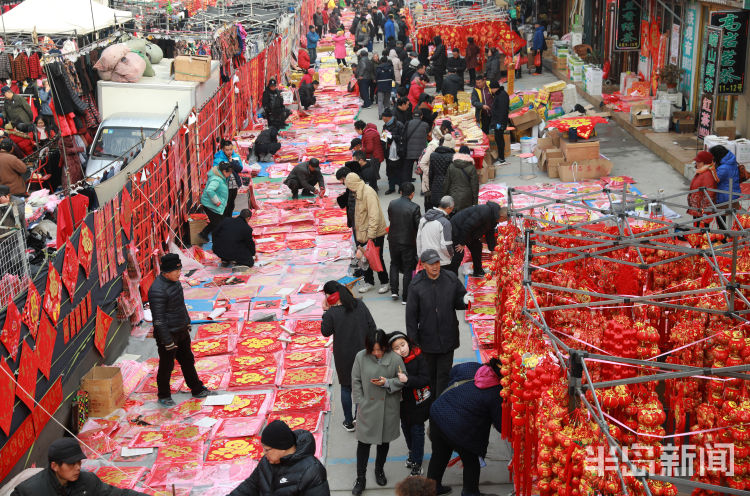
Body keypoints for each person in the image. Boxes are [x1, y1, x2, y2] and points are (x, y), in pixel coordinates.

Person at [426, 361, 503, 496]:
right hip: (460, 429)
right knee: (471, 462)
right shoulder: (496, 393)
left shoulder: (472, 367)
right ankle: (470, 492)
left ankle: (432, 488)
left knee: (439, 455)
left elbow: (453, 372)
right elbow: (501, 425)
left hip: (438, 414)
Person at [148, 253, 211, 407]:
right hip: (168, 334)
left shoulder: (175, 283)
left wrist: (187, 322)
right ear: (166, 271)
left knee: (188, 360)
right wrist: (167, 340)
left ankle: (196, 388)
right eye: (176, 271)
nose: (179, 273)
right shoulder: (157, 290)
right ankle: (163, 395)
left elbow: (181, 305)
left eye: (180, 270)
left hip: (181, 329)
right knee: (167, 365)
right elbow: (159, 319)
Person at [405, 249, 468, 397]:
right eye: (431, 264)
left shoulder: (451, 278)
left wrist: (465, 301)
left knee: (444, 376)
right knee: (430, 377)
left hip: (448, 338)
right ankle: (432, 407)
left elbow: (460, 301)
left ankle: (441, 407)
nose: (435, 266)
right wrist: (413, 343)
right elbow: (411, 318)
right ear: (423, 265)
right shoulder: (416, 285)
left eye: (437, 262)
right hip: (427, 342)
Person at [351, 329, 406, 495]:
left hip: (387, 408)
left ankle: (379, 470)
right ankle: (360, 477)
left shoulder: (395, 358)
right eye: (373, 350)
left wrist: (387, 383)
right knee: (363, 443)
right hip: (367, 408)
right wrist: (361, 401)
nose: (376, 353)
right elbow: (355, 380)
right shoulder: (361, 357)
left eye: (379, 349)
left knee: (384, 442)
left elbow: (402, 379)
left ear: (385, 347)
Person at [321, 280, 377, 431]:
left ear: (329, 296)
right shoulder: (359, 304)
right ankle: (359, 418)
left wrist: (325, 311)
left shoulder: (332, 313)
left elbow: (325, 332)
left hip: (343, 355)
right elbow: (372, 326)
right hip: (363, 352)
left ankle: (348, 421)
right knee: (360, 386)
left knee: (346, 387)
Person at [10, 438, 148, 496]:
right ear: (55, 466)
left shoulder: (86, 481)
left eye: (79, 462)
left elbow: (117, 494)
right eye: (71, 464)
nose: (77, 468)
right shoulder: (29, 491)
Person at [229, 420, 330, 496]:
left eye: (267, 449)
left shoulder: (312, 471)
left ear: (282, 448)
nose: (263, 453)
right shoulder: (267, 461)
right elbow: (251, 485)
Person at [388, 331, 431, 476]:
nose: (402, 349)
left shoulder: (419, 356)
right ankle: (412, 454)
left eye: (403, 345)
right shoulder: (393, 362)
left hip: (418, 404)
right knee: (406, 429)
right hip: (403, 405)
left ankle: (417, 463)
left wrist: (408, 380)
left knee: (417, 432)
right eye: (397, 348)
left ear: (408, 343)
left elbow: (425, 379)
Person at [344, 172, 389, 293]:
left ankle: (385, 282)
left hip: (373, 233)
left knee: (376, 257)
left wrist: (371, 235)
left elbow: (374, 216)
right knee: (364, 258)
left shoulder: (368, 193)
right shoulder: (357, 192)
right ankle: (369, 282)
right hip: (362, 232)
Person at [448, 202, 506, 277]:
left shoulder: (493, 216)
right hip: (457, 229)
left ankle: (478, 271)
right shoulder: (485, 212)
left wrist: (492, 249)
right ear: (501, 217)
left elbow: (490, 232)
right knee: (458, 254)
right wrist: (462, 243)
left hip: (469, 233)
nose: (503, 222)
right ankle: (451, 277)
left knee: (477, 247)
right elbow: (467, 226)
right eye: (504, 221)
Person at [387, 182, 421, 303]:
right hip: (408, 241)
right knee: (408, 268)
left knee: (394, 264)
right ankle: (406, 297)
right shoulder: (415, 207)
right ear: (412, 194)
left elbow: (391, 218)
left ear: (401, 192)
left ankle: (394, 291)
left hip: (393, 240)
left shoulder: (392, 203)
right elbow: (418, 226)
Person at [198, 161, 233, 241]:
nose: (230, 175)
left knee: (216, 222)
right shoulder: (217, 179)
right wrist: (216, 201)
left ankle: (204, 233)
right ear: (224, 171)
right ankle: (217, 241)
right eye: (229, 173)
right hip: (210, 205)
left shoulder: (220, 177)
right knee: (217, 224)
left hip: (213, 204)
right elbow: (210, 190)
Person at [416, 196, 454, 268]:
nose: (452, 211)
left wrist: (420, 256)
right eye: (452, 209)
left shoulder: (423, 218)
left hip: (426, 259)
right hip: (441, 261)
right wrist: (451, 254)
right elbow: (445, 246)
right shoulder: (445, 223)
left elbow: (418, 239)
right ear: (448, 208)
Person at [709, 144, 741, 230]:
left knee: (720, 217)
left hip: (725, 196)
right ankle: (724, 234)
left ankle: (723, 236)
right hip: (732, 194)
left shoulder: (724, 168)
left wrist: (711, 168)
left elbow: (715, 179)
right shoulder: (731, 163)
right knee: (724, 216)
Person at [442, 146, 478, 213]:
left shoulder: (451, 166)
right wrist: (475, 202)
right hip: (467, 197)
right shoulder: (471, 168)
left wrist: (445, 196)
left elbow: (446, 182)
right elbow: (475, 186)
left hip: (453, 195)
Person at [687, 150, 718, 226]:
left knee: (701, 231)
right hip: (697, 208)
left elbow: (710, 194)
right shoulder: (701, 172)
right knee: (696, 230)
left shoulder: (707, 175)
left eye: (699, 162)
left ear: (705, 162)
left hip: (701, 211)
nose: (696, 163)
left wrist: (706, 212)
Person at [214, 139, 244, 216]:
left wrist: (232, 162)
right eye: (227, 150)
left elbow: (240, 169)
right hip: (224, 184)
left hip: (234, 184)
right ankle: (224, 219)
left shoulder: (235, 157)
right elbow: (216, 172)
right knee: (225, 203)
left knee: (231, 202)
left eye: (231, 149)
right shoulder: (218, 159)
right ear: (223, 149)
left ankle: (229, 217)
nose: (229, 151)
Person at [402, 111, 430, 186]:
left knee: (407, 171)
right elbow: (427, 133)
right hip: (421, 152)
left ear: (412, 115)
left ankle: (406, 187)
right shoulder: (425, 125)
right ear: (421, 116)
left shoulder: (408, 123)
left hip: (409, 151)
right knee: (422, 170)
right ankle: (423, 188)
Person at [426, 138, 455, 209]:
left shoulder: (433, 155)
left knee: (436, 206)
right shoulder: (452, 156)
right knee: (447, 206)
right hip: (448, 185)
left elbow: (431, 173)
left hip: (436, 183)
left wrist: (431, 187)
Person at [382, 108, 405, 194]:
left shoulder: (399, 125)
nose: (382, 118)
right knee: (389, 171)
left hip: (398, 152)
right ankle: (391, 188)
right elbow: (383, 139)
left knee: (399, 171)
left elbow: (403, 138)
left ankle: (400, 188)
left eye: (383, 117)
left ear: (388, 117)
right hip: (388, 152)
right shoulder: (385, 126)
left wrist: (392, 136)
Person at [489, 81, 510, 165]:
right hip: (498, 121)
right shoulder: (500, 94)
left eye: (491, 89)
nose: (491, 91)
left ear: (494, 88)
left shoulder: (501, 96)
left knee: (499, 139)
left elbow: (502, 111)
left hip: (499, 122)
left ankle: (501, 158)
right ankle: (501, 156)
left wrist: (500, 124)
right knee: (499, 138)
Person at [376, 52, 395, 117]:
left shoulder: (378, 68)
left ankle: (380, 114)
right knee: (387, 100)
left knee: (380, 100)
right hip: (388, 85)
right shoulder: (391, 67)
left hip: (380, 86)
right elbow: (393, 77)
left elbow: (376, 77)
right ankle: (387, 113)